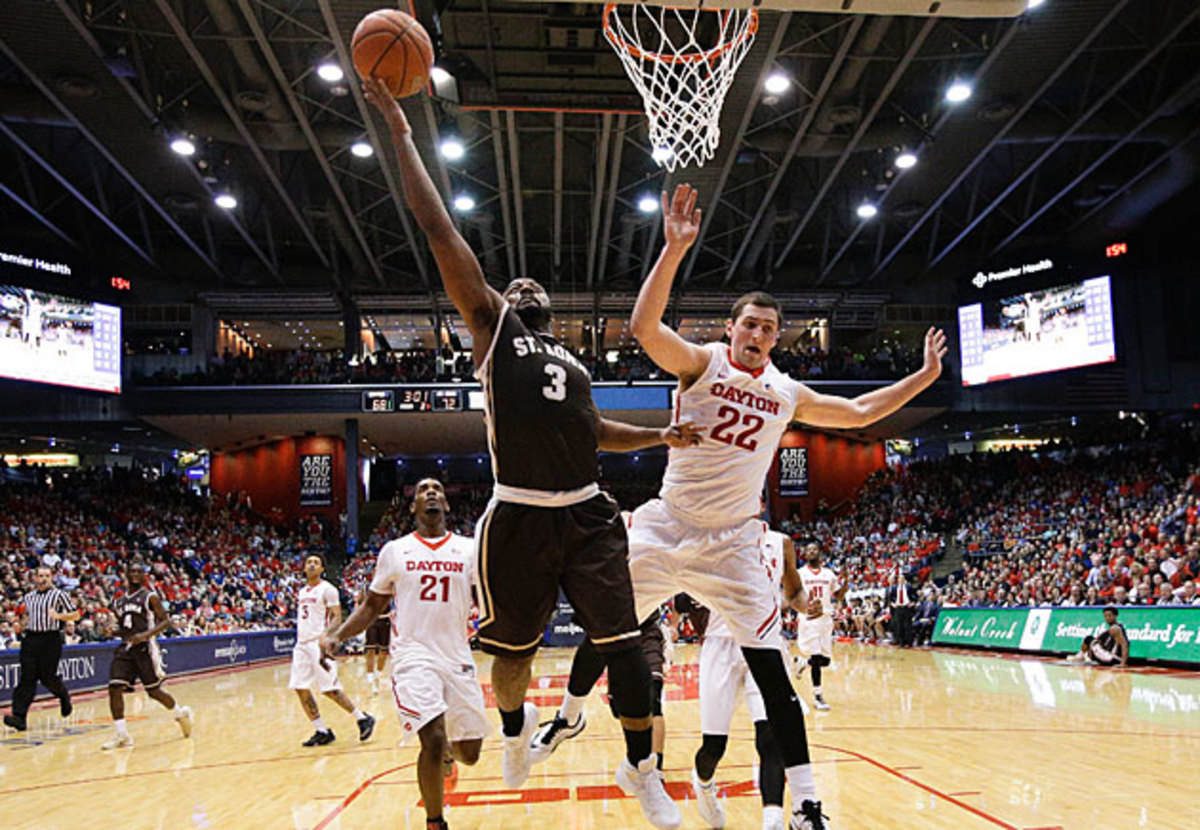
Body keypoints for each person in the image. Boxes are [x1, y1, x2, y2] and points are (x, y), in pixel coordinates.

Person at [364, 77, 700, 829]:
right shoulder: (491, 327)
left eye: (530, 283)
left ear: (550, 307)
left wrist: (657, 435)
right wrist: (401, 132)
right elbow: (438, 228)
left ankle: (643, 769)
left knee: (626, 650)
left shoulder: (575, 364)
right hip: (516, 515)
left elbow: (594, 435)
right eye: (512, 281)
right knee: (511, 660)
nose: (521, 282)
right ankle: (515, 734)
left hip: (587, 513)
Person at [625, 183, 948, 830]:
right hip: (668, 524)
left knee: (775, 680)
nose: (760, 334)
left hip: (734, 542)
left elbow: (857, 413)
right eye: (750, 323)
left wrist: (922, 378)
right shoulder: (701, 363)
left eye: (770, 328)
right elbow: (643, 329)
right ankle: (585, 727)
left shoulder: (786, 390)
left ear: (777, 339)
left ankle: (805, 806)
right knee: (612, 628)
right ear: (731, 329)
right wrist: (673, 250)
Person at [322, 479, 489, 830]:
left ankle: (449, 755)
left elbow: (489, 597)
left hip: (457, 655)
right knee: (432, 738)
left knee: (469, 752)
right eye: (423, 490)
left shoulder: (469, 549)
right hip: (413, 656)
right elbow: (372, 605)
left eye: (438, 489)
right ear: (412, 507)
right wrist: (338, 634)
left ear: (446, 505)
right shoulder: (395, 551)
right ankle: (435, 822)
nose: (431, 492)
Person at [690, 526, 807, 830]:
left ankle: (772, 820)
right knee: (713, 748)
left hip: (765, 642)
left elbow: (793, 592)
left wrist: (809, 607)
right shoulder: (713, 536)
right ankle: (703, 784)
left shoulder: (781, 543)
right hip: (721, 644)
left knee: (771, 737)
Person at [101, 560, 193, 750]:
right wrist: (113, 632)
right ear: (126, 574)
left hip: (145, 649)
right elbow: (126, 629)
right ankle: (122, 734)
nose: (134, 574)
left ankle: (180, 713)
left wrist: (146, 635)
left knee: (154, 692)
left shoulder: (150, 596)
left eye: (138, 571)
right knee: (114, 688)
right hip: (126, 648)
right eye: (131, 570)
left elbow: (165, 621)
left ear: (144, 576)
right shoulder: (119, 601)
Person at [289, 552, 374, 746]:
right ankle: (322, 730)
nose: (311, 565)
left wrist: (326, 634)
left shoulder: (328, 589)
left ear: (322, 569)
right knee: (300, 688)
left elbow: (337, 616)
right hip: (301, 645)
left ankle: (362, 718)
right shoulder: (302, 591)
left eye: (316, 563)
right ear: (304, 568)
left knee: (330, 690)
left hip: (319, 645)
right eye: (308, 562)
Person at [3, 566, 78, 732]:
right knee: (27, 677)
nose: (43, 579)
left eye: (47, 576)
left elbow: (75, 615)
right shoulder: (28, 597)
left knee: (47, 676)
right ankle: (19, 717)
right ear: (35, 578)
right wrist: (20, 624)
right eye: (40, 576)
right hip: (31, 639)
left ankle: (63, 695)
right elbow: (23, 616)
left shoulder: (59, 595)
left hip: (50, 639)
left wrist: (59, 616)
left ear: (51, 578)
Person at [793, 543, 846, 711]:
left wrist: (846, 582)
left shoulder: (829, 574)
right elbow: (792, 594)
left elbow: (838, 596)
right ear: (804, 554)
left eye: (814, 549)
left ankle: (803, 663)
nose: (811, 551)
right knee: (816, 657)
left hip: (825, 618)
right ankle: (818, 696)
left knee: (825, 660)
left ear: (820, 553)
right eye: (808, 550)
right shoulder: (800, 573)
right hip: (808, 618)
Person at [359, 585, 391, 695]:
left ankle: (378, 674)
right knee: (370, 649)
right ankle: (370, 677)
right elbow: (360, 602)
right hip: (371, 620)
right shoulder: (367, 586)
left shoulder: (390, 585)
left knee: (383, 651)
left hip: (386, 619)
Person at [886, 571, 916, 647]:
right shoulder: (894, 588)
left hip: (906, 607)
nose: (901, 580)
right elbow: (890, 599)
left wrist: (913, 603)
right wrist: (893, 604)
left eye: (902, 578)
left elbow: (915, 596)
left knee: (908, 625)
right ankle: (901, 641)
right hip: (898, 608)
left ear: (904, 579)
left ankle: (909, 642)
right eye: (900, 578)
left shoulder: (909, 587)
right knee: (899, 625)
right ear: (898, 580)